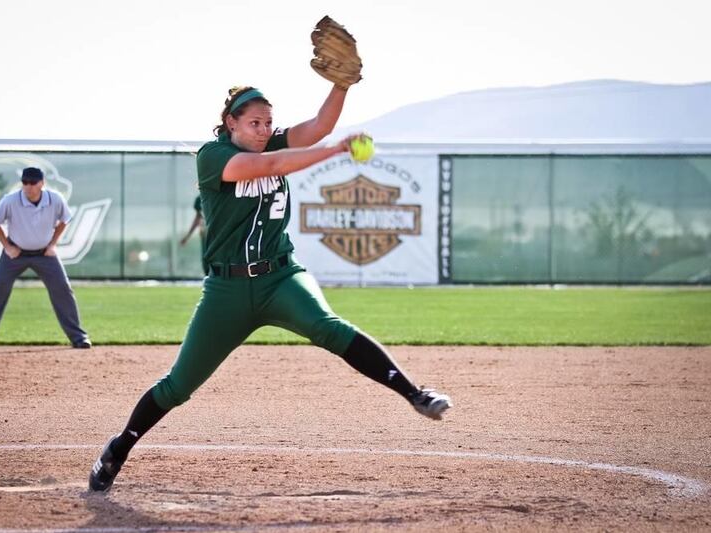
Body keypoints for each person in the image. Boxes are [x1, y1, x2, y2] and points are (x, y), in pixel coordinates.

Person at [88, 84, 452, 492]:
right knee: (178, 386)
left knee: (329, 327)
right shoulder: (214, 157)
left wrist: (342, 85)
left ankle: (415, 394)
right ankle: (119, 448)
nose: (263, 130)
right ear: (231, 123)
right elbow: (274, 164)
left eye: (268, 123)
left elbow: (320, 125)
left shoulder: (271, 143)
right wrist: (336, 151)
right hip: (227, 290)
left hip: (281, 277)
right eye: (254, 123)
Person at [0, 167, 92, 350]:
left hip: (44, 254)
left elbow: (65, 219)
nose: (28, 186)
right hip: (16, 253)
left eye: (33, 183)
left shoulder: (54, 199)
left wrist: (52, 244)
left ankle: (78, 337)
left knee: (62, 289)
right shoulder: (11, 200)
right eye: (25, 182)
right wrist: (7, 247)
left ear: (42, 183)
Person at [179, 194, 208, 275]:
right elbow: (198, 218)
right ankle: (208, 279)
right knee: (205, 259)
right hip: (205, 234)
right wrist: (187, 236)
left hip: (215, 234)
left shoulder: (217, 194)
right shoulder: (199, 199)